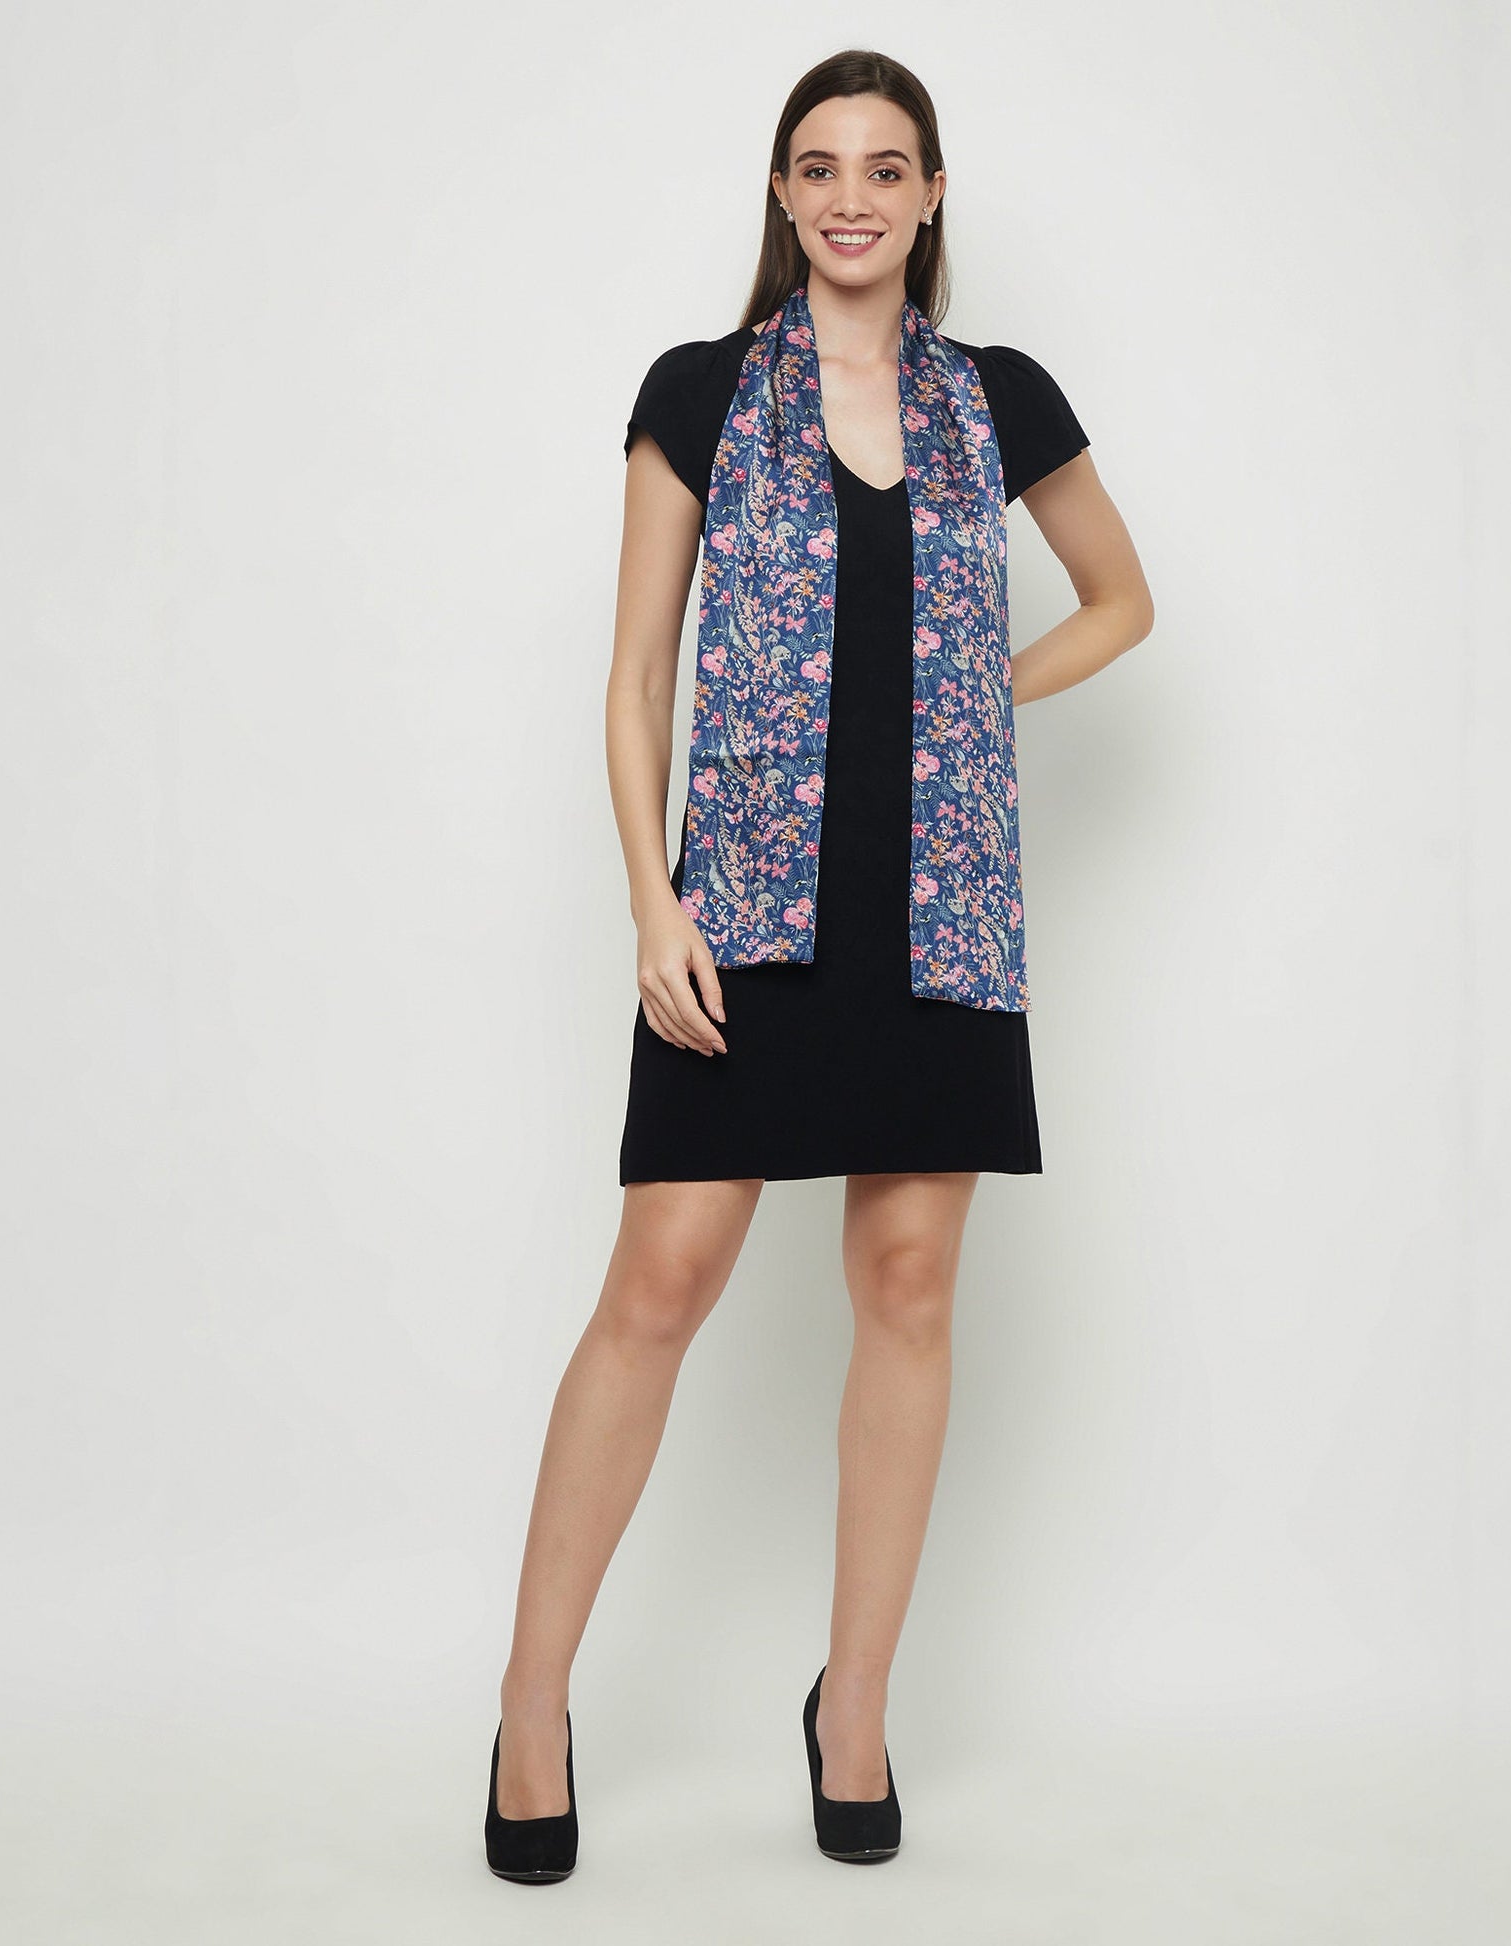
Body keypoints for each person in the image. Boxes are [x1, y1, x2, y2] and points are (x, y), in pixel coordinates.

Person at [485, 47, 1154, 1883]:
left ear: (931, 197)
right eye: (817, 164)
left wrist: (975, 695)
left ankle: (852, 1705)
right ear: (781, 196)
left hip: (938, 906)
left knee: (911, 1283)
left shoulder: (997, 399)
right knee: (661, 1281)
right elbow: (635, 673)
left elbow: (1120, 599)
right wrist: (653, 902)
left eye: (885, 164)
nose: (851, 194)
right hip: (744, 904)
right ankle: (531, 1699)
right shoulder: (700, 393)